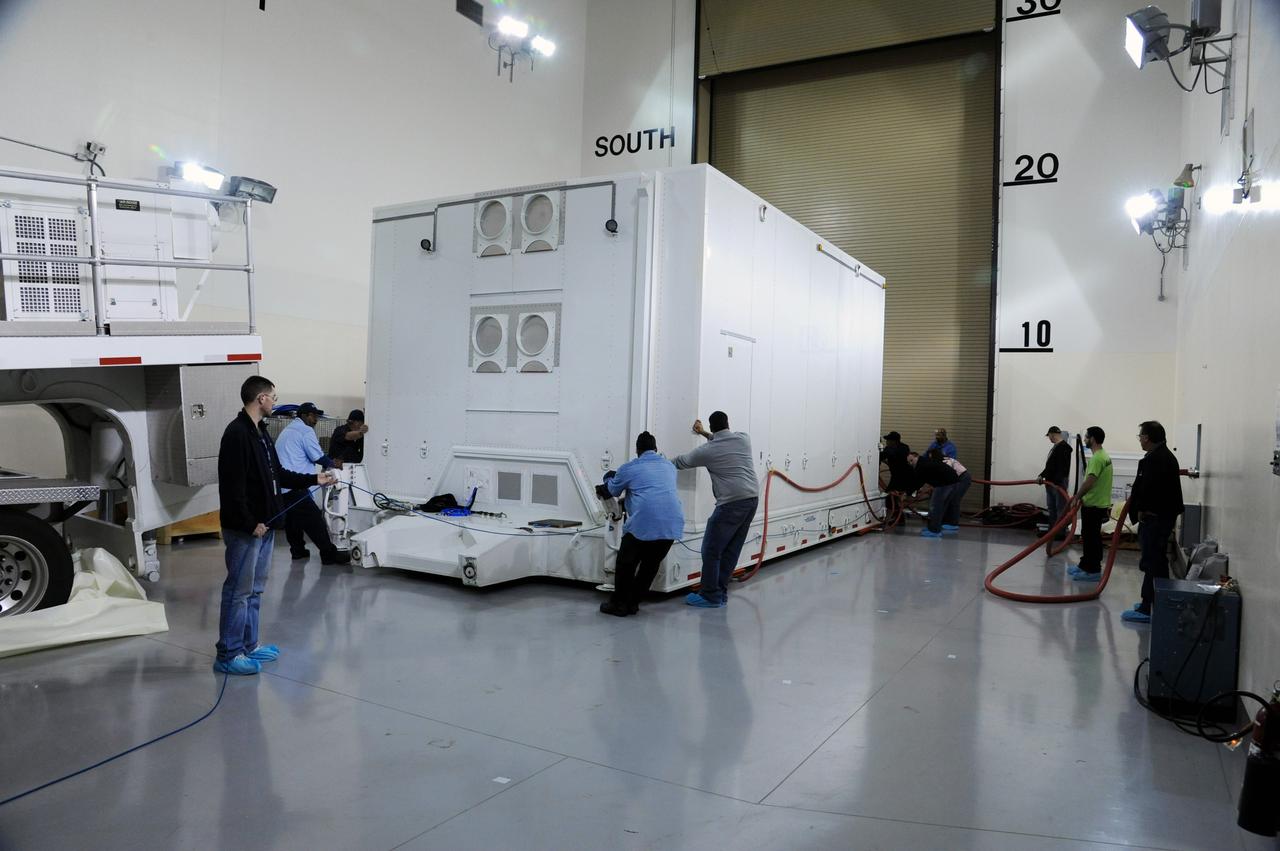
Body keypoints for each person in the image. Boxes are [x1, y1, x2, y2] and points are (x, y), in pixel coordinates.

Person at [216, 376, 336, 676]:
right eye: (273, 396)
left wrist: (314, 479)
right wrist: (248, 522)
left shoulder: (260, 432)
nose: (275, 401)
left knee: (255, 589)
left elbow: (277, 474)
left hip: (265, 524)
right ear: (261, 399)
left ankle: (249, 646)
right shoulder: (237, 434)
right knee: (238, 591)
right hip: (247, 528)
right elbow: (233, 487)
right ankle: (228, 654)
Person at [672, 411, 759, 608]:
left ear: (712, 427)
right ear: (728, 423)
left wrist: (657, 464)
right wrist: (703, 432)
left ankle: (711, 595)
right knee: (731, 550)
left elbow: (681, 461)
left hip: (731, 504)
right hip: (751, 500)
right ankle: (720, 592)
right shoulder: (744, 439)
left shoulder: (707, 451)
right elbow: (720, 440)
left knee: (711, 549)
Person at [599, 431, 685, 617]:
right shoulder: (669, 467)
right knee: (650, 566)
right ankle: (633, 603)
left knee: (626, 564)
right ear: (656, 449)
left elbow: (612, 489)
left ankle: (620, 605)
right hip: (672, 525)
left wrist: (609, 478)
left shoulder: (629, 468)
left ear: (637, 450)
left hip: (643, 524)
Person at [1121, 420, 1184, 623]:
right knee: (1155, 560)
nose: (1139, 439)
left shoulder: (1157, 459)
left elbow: (1151, 490)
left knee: (1152, 561)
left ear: (1147, 437)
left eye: (1140, 436)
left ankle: (1149, 607)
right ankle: (1155, 602)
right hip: (1159, 517)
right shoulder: (1159, 456)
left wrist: (1142, 509)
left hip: (1155, 519)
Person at [275, 402, 351, 565]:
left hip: (282, 485)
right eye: (313, 416)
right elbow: (318, 457)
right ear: (304, 416)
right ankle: (328, 553)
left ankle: (298, 551)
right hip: (296, 483)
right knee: (314, 519)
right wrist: (333, 463)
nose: (315, 419)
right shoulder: (305, 431)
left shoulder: (287, 430)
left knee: (293, 519)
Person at [1066, 426, 1112, 583]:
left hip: (1094, 505)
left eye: (1086, 437)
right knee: (1089, 536)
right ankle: (1085, 565)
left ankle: (1093, 571)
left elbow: (1090, 482)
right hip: (1097, 504)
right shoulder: (1103, 456)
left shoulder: (1097, 458)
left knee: (1092, 538)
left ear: (1092, 439)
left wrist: (1077, 497)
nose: (1084, 440)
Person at [908, 450, 959, 538]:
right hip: (950, 482)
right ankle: (934, 527)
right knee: (939, 507)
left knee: (935, 507)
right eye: (909, 462)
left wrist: (908, 493)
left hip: (945, 484)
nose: (910, 463)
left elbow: (918, 482)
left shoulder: (921, 465)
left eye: (911, 460)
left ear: (917, 457)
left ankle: (934, 530)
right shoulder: (924, 461)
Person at [1037, 426, 1073, 533]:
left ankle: (1059, 532)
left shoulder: (1064, 448)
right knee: (1052, 508)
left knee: (1060, 509)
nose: (1049, 439)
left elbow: (1062, 468)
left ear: (1052, 434)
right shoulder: (1056, 447)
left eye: (1049, 436)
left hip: (1058, 484)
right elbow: (1051, 466)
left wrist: (1057, 483)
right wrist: (1041, 475)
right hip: (1051, 483)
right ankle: (1052, 531)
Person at [879, 431, 912, 523]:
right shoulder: (905, 447)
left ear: (894, 441)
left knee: (890, 496)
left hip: (900, 477)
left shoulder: (891, 449)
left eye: (888, 440)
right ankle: (899, 518)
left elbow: (881, 456)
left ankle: (897, 517)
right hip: (903, 476)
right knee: (894, 497)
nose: (887, 442)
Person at [936, 450, 971, 533]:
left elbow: (947, 477)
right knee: (948, 499)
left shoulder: (946, 462)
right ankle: (946, 520)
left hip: (963, 479)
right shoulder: (945, 460)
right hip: (958, 478)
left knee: (954, 500)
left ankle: (953, 523)